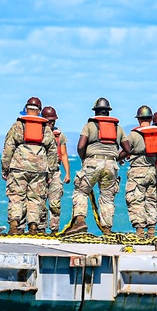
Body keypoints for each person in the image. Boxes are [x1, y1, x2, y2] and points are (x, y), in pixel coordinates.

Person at [64, 98, 131, 235]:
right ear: (108, 112)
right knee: (107, 197)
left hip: (92, 163)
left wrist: (85, 159)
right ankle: (107, 229)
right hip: (111, 165)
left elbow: (81, 146)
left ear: (95, 112)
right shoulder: (118, 128)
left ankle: (81, 221)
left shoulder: (89, 126)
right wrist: (115, 158)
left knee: (81, 191)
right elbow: (127, 149)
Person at [1, 97, 58, 234]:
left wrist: (5, 168)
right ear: (39, 110)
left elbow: (8, 148)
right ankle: (33, 226)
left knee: (16, 197)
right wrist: (50, 172)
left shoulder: (18, 125)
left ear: (26, 109)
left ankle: (14, 225)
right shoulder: (45, 128)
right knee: (35, 198)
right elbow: (52, 151)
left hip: (18, 166)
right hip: (39, 168)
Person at [124, 105, 157, 236]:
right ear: (151, 119)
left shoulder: (133, 134)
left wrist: (119, 157)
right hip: (152, 171)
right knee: (151, 201)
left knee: (135, 200)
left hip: (137, 172)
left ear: (139, 119)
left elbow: (126, 150)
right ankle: (151, 230)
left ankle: (140, 231)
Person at [41, 105, 71, 233]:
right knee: (39, 201)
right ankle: (39, 229)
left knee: (55, 202)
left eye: (53, 120)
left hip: (55, 172)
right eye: (49, 120)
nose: (51, 123)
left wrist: (67, 173)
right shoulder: (38, 133)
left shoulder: (60, 135)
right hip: (41, 171)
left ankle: (54, 229)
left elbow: (63, 154)